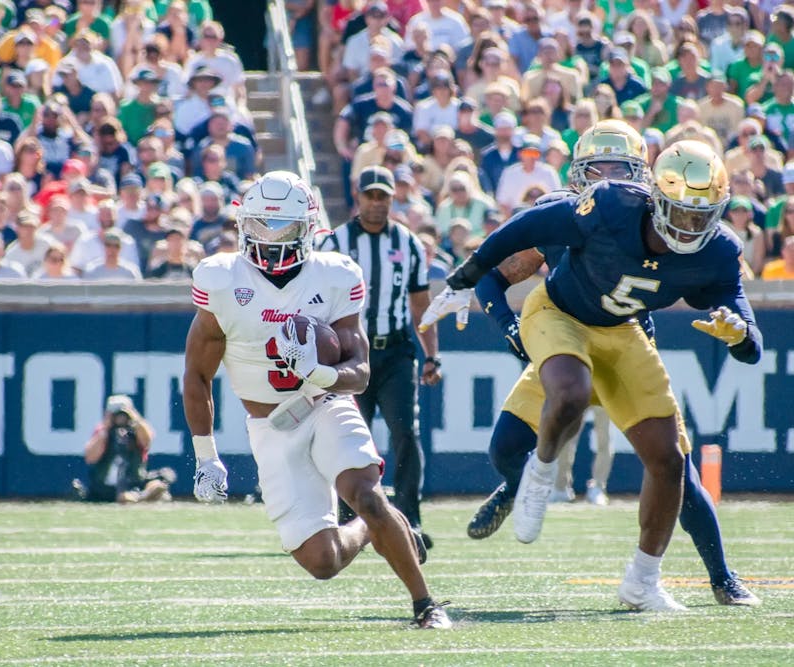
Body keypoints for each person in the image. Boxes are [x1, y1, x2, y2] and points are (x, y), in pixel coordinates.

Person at [423, 139, 763, 612]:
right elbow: (516, 237)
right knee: (527, 429)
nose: (690, 226)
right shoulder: (600, 208)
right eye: (598, 169)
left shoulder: (718, 249)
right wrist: (467, 281)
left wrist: (741, 334)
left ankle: (686, 580)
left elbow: (747, 334)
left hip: (624, 338)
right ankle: (534, 481)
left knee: (671, 464)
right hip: (560, 323)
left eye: (700, 215)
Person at [182, 170, 449, 629]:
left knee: (365, 495)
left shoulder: (334, 275)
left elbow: (361, 373)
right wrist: (206, 456)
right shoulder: (222, 279)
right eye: (260, 227)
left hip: (325, 405)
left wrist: (319, 372)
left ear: (307, 229)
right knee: (322, 561)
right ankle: (374, 527)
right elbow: (196, 373)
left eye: (282, 228)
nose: (269, 240)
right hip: (270, 427)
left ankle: (426, 605)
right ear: (243, 227)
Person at [319, 165, 441, 547]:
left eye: (383, 196)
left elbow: (420, 303)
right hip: (350, 353)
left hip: (394, 351)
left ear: (392, 198)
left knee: (405, 432)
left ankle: (408, 520)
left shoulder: (407, 243)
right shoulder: (334, 243)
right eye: (370, 195)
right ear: (358, 197)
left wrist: (432, 355)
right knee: (347, 438)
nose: (376, 203)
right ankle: (347, 519)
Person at [74, 394, 171, 503]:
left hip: (134, 481)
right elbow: (90, 458)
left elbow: (147, 441)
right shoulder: (103, 431)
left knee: (160, 480)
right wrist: (105, 430)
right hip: (105, 486)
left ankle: (138, 496)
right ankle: (138, 498)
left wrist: (136, 421)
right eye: (116, 414)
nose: (120, 417)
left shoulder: (136, 430)